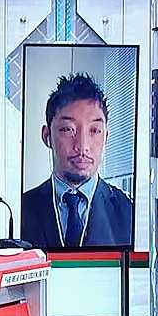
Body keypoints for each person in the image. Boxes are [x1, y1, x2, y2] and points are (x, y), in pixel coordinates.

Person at [20, 73, 133, 249]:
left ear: (106, 137)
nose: (82, 146)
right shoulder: (21, 208)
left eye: (94, 130)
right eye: (68, 129)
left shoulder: (129, 210)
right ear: (47, 136)